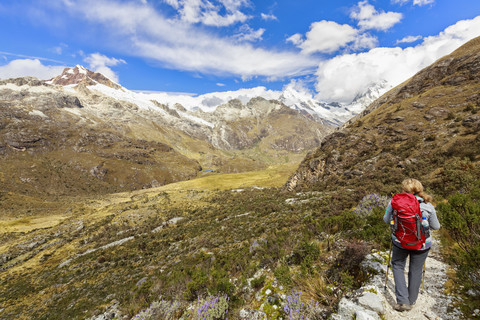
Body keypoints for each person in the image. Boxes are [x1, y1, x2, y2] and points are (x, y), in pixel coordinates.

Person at [383, 178, 441, 312]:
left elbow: (386, 220)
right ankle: (412, 300)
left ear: (404, 190)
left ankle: (402, 301)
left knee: (397, 266)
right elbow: (436, 226)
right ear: (420, 190)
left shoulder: (394, 202)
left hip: (400, 242)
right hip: (422, 245)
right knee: (415, 270)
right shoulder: (428, 205)